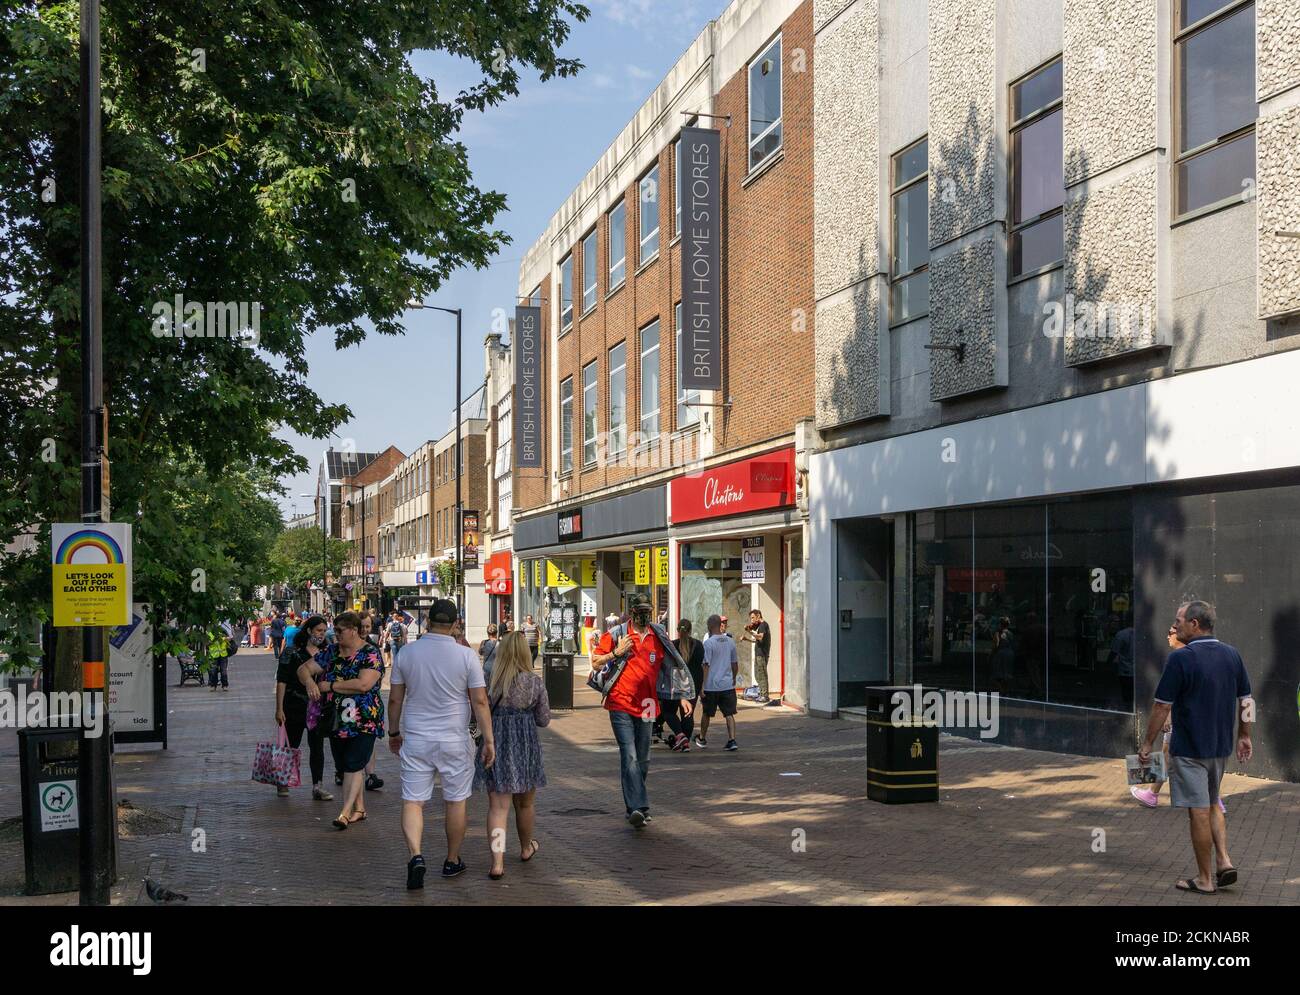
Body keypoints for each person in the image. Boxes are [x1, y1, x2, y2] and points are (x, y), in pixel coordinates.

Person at [1138, 601, 1253, 895]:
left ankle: (1204, 879)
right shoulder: (1232, 655)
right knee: (1213, 803)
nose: (1175, 626)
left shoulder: (1180, 659)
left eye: (1179, 621)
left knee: (1198, 812)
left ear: (1195, 625)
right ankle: (1224, 861)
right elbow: (1247, 701)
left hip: (1189, 749)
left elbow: (1163, 705)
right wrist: (1244, 736)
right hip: (1219, 747)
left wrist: (1148, 743)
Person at [387, 599, 495, 887]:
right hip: (454, 739)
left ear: (428, 622)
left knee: (413, 801)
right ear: (455, 623)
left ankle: (416, 855)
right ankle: (451, 860)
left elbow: (396, 698)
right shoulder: (466, 656)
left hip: (417, 739)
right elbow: (480, 701)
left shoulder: (407, 654)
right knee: (455, 801)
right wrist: (489, 740)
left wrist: (393, 733)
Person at [589, 593, 693, 828]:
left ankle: (634, 804)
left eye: (649, 610)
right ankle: (638, 807)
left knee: (643, 757)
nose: (645, 614)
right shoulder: (617, 635)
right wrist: (617, 652)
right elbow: (595, 662)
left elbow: (671, 667)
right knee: (630, 754)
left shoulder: (659, 635)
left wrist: (682, 695)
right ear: (632, 612)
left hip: (647, 704)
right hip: (620, 702)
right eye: (641, 610)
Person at [298, 611, 385, 830]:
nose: (334, 634)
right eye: (333, 630)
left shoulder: (369, 653)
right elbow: (304, 669)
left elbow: (364, 684)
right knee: (344, 764)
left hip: (364, 719)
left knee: (353, 765)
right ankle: (360, 809)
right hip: (336, 720)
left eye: (339, 631)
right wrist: (309, 682)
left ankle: (344, 813)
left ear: (354, 630)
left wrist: (332, 686)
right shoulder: (331, 652)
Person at [475, 632, 550, 880]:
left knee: (497, 807)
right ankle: (526, 847)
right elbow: (544, 719)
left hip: (495, 743)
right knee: (525, 803)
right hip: (525, 745)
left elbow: (476, 709)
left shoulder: (490, 679)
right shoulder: (534, 682)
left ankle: (497, 862)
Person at [274, 615, 334, 800]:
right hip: (294, 705)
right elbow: (282, 681)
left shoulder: (327, 652)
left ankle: (318, 786)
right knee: (290, 744)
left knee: (317, 747)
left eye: (324, 631)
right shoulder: (292, 652)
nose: (322, 635)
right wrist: (279, 708)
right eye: (318, 630)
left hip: (318, 708)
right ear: (309, 630)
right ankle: (282, 781)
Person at [695, 614, 739, 751]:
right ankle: (732, 740)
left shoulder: (708, 643)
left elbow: (706, 666)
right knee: (729, 713)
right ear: (720, 625)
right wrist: (733, 678)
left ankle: (702, 738)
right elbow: (735, 663)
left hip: (711, 686)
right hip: (727, 684)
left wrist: (702, 685)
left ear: (709, 626)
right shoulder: (730, 642)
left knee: (707, 713)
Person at [674, 619, 705, 744]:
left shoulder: (673, 645)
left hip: (678, 682)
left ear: (677, 631)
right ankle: (685, 738)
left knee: (670, 711)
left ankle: (681, 736)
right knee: (688, 712)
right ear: (691, 630)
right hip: (694, 683)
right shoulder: (698, 645)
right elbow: (701, 663)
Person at [741, 609, 777, 706]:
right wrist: (746, 639)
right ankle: (761, 693)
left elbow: (760, 637)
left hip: (762, 654)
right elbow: (757, 641)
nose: (752, 620)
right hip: (758, 654)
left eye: (753, 617)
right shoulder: (760, 626)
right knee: (757, 675)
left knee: (762, 675)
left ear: (758, 616)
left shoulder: (763, 625)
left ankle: (764, 695)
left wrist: (749, 632)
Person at [207, 622, 233, 691]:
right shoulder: (209, 633)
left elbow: (230, 637)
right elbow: (206, 643)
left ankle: (224, 685)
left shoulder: (223, 631)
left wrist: (225, 638)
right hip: (213, 655)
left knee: (223, 671)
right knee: (213, 671)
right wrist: (213, 640)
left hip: (223, 654)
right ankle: (213, 685)